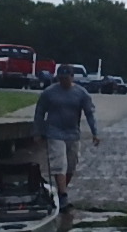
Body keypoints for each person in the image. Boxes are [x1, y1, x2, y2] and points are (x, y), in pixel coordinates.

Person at [33, 64, 100, 209]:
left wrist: (95, 132)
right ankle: (63, 196)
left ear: (72, 77)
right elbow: (39, 113)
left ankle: (60, 191)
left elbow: (89, 114)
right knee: (59, 164)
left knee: (71, 166)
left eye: (66, 78)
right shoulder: (49, 93)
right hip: (54, 132)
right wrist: (38, 132)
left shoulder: (81, 93)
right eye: (61, 78)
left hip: (73, 133)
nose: (63, 81)